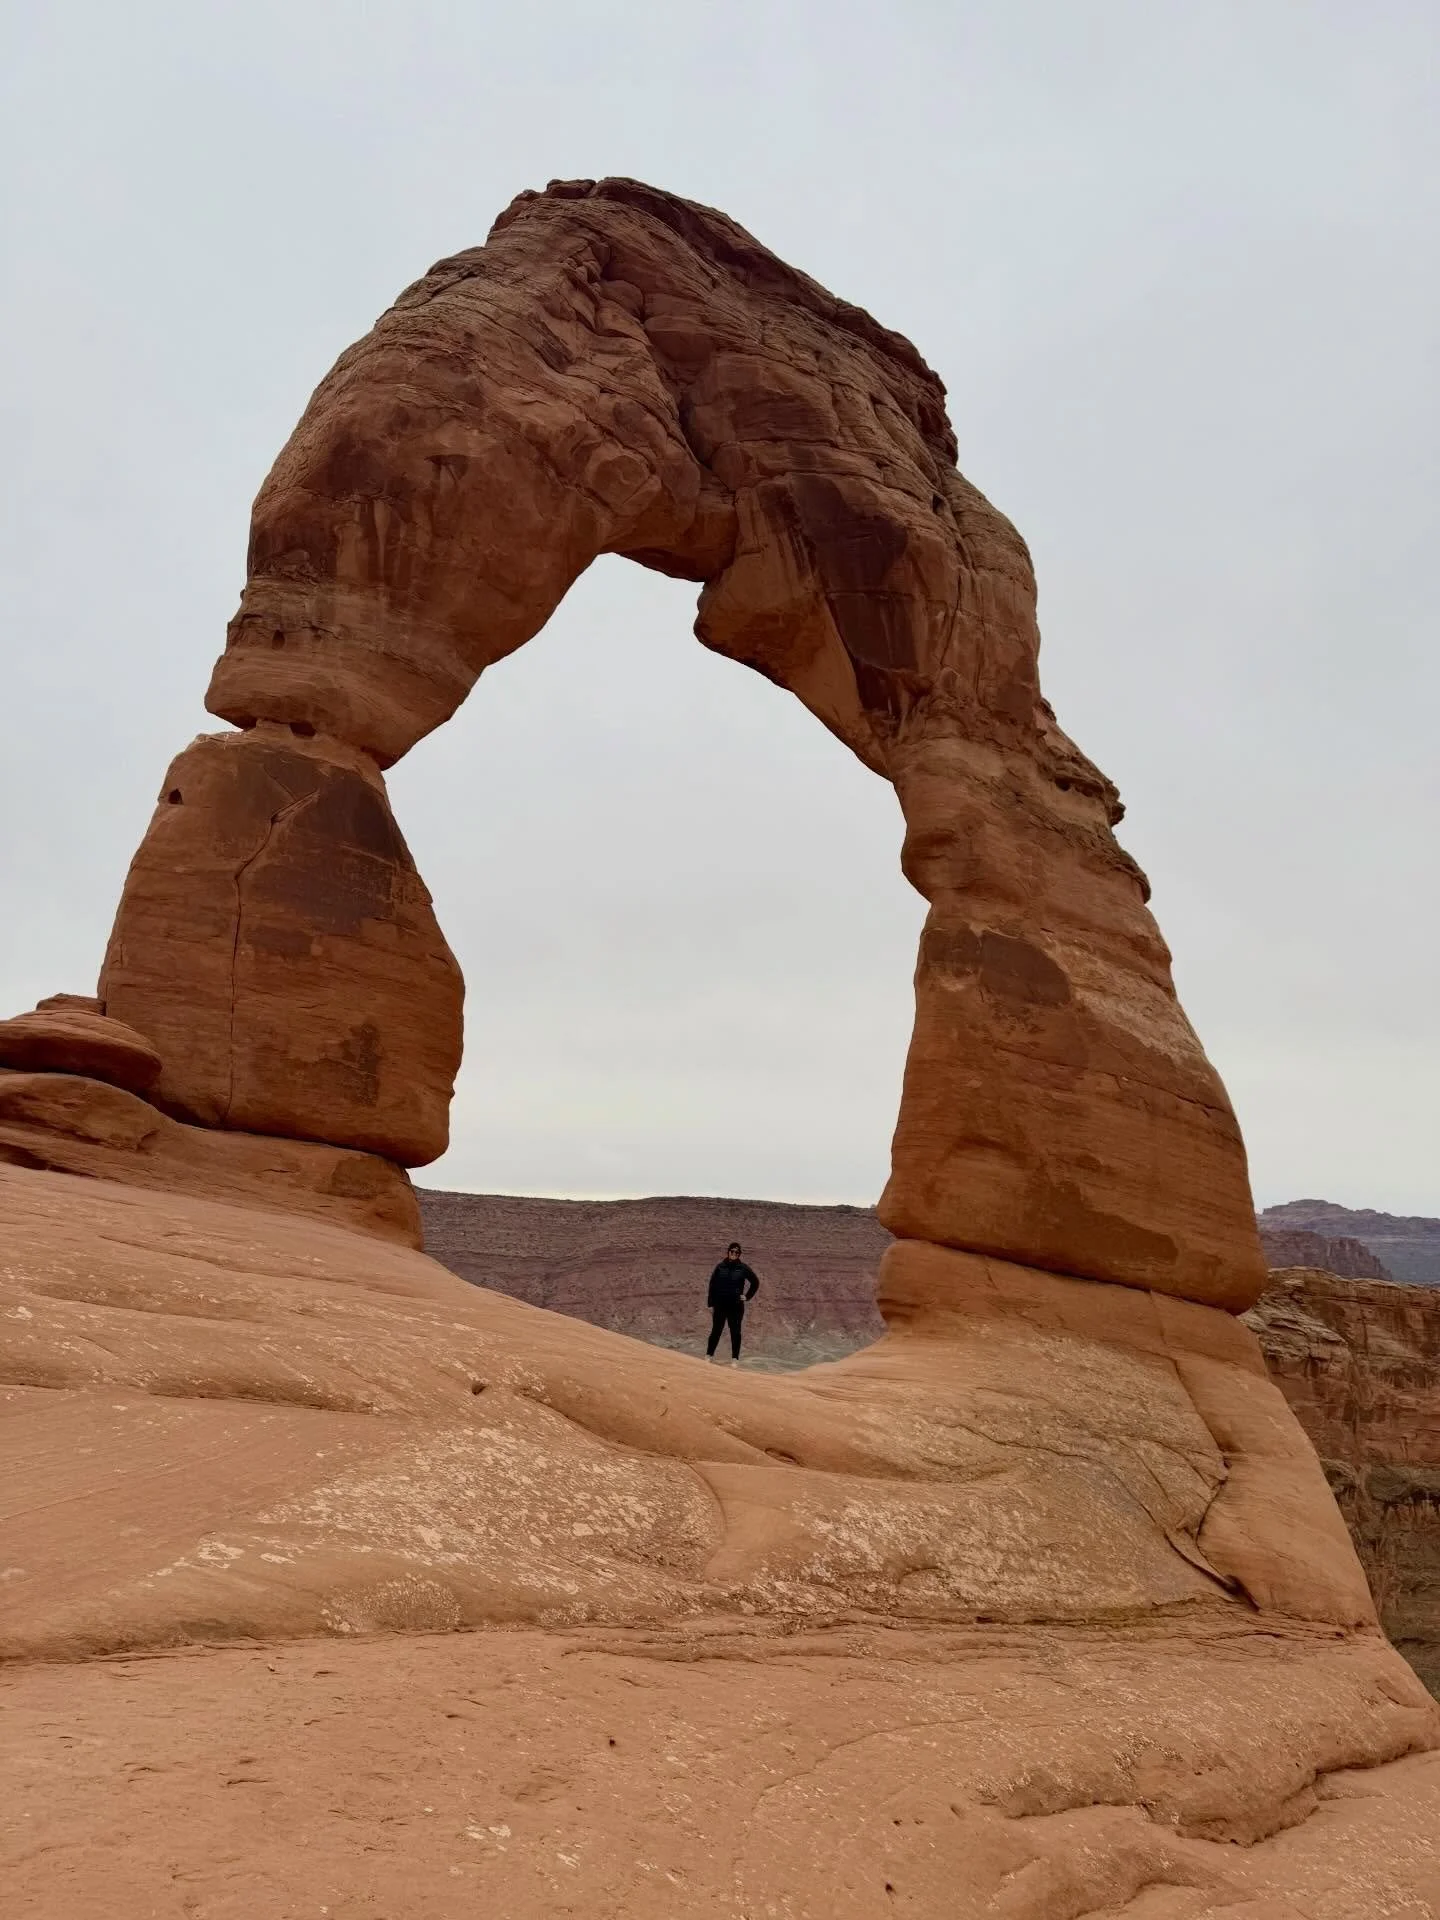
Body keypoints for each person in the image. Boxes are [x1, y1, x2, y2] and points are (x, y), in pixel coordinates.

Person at [706, 1242, 760, 1363]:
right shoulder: (720, 1267)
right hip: (720, 1305)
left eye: (737, 1253)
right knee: (716, 1331)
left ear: (739, 1254)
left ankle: (734, 1359)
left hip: (736, 1306)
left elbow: (755, 1282)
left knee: (735, 1333)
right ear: (728, 1252)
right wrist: (711, 1303)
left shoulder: (743, 1268)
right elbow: (712, 1285)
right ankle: (709, 1355)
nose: (734, 1254)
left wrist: (747, 1297)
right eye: (732, 1252)